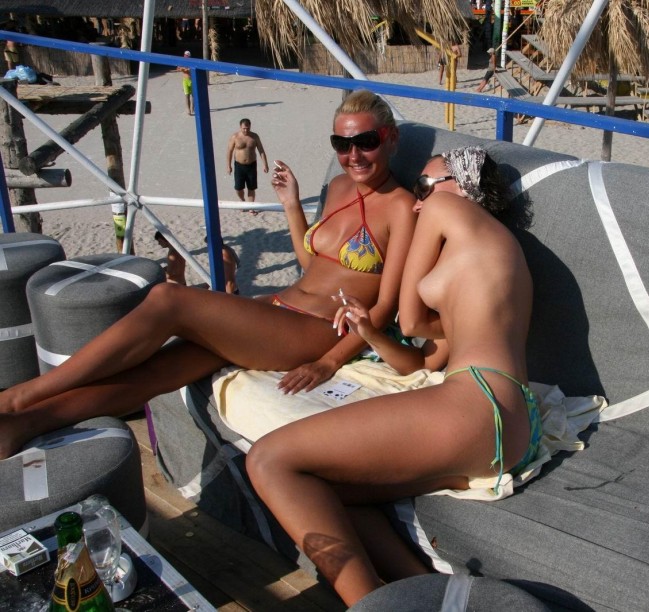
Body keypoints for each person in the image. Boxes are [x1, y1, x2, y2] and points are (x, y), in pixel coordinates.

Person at [0, 90, 417, 460]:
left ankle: (20, 396)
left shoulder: (400, 207)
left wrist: (327, 363)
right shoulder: (342, 187)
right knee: (162, 369)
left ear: (390, 138)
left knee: (170, 300)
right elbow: (312, 268)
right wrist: (291, 205)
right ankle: (26, 424)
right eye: (342, 144)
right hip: (277, 309)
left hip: (317, 330)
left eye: (365, 141)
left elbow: (383, 307)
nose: (354, 155)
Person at [246, 146, 539, 606]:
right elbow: (421, 360)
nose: (418, 198)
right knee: (330, 493)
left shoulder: (447, 209)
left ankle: (365, 605)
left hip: (477, 404)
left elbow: (408, 320)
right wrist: (368, 332)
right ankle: (423, 594)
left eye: (425, 185)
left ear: (461, 189)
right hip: (509, 421)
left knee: (269, 460)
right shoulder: (486, 257)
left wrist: (397, 321)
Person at [226, 118, 270, 209]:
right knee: (238, 188)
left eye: (247, 128)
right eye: (244, 128)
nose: (246, 130)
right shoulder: (235, 137)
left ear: (250, 127)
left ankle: (251, 207)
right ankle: (242, 201)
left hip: (251, 165)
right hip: (239, 166)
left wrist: (265, 164)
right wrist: (228, 166)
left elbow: (261, 150)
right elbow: (229, 151)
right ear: (240, 127)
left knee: (251, 188)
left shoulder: (254, 136)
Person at [177, 50, 193, 115]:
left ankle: (192, 108)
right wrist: (182, 69)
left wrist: (186, 70)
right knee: (187, 95)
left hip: (191, 80)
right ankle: (188, 109)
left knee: (193, 96)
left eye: (187, 56)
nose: (186, 56)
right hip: (185, 80)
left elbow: (191, 69)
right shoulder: (182, 61)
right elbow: (178, 68)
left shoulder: (191, 62)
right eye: (185, 55)